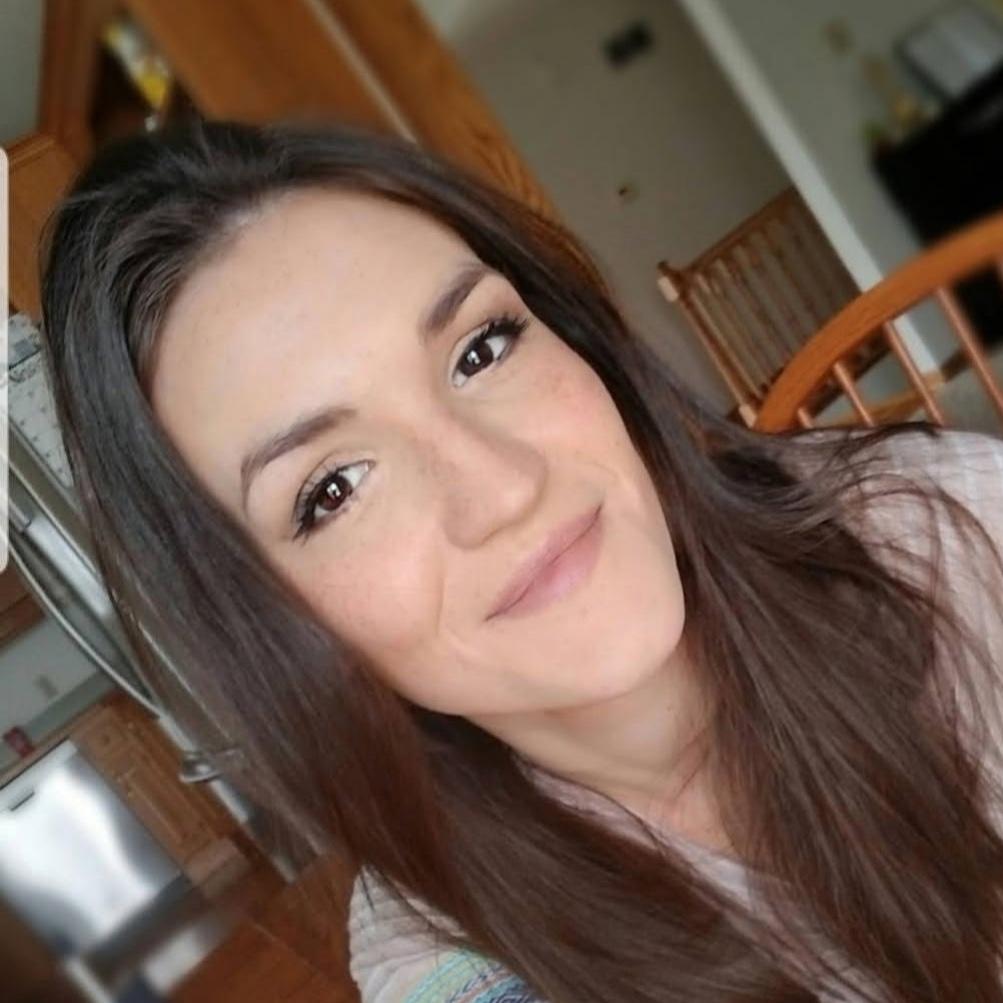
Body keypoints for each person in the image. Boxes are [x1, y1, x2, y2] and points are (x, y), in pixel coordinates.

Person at [36, 116, 1003, 1003]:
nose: (503, 490)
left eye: (480, 349)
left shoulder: (940, 530)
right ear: (267, 619)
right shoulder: (447, 961)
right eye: (332, 490)